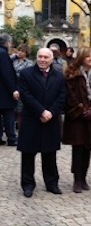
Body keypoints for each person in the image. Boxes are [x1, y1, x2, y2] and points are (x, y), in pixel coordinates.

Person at [17, 47, 67, 198]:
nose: (42, 60)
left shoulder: (59, 76)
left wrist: (51, 112)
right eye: (40, 57)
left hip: (51, 119)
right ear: (36, 58)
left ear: (52, 59)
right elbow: (25, 95)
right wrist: (41, 111)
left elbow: (62, 96)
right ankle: (28, 184)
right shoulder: (26, 74)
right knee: (28, 154)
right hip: (31, 118)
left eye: (46, 57)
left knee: (49, 153)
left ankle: (52, 183)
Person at [62, 47, 91, 193]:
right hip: (77, 118)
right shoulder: (72, 74)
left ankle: (84, 177)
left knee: (88, 147)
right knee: (78, 147)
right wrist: (81, 109)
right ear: (82, 58)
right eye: (88, 56)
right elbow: (70, 94)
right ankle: (77, 179)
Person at [0, 33, 19, 146]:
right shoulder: (3, 54)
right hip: (4, 92)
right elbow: (6, 74)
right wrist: (13, 90)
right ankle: (11, 138)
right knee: (9, 115)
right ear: (7, 43)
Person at [13, 44, 34, 128]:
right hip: (13, 87)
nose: (20, 53)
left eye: (22, 51)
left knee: (21, 110)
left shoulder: (29, 63)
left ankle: (21, 127)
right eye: (19, 50)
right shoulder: (14, 61)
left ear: (26, 53)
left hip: (23, 88)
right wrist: (14, 56)